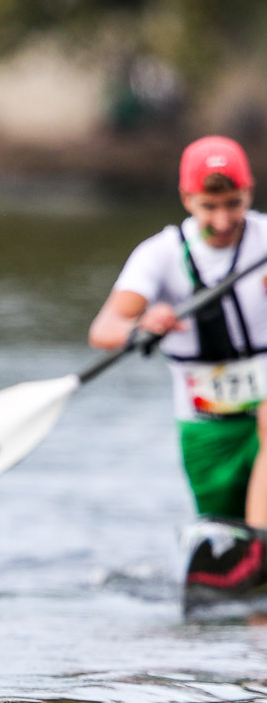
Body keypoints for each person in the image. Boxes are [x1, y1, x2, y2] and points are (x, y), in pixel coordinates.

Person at [88, 136, 267, 529]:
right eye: (210, 207)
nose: (223, 222)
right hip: (205, 426)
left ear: (249, 192)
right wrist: (143, 325)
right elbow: (104, 330)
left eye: (234, 204)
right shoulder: (160, 255)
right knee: (221, 525)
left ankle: (260, 546)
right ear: (187, 199)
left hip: (263, 414)